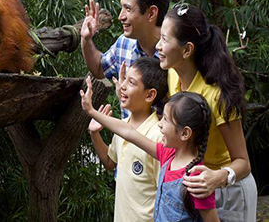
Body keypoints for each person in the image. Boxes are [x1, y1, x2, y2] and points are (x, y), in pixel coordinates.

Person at [156, 3, 257, 221]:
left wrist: (218, 177)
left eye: (165, 39)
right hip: (199, 187)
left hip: (229, 189)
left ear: (187, 49)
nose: (158, 45)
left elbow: (243, 162)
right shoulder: (173, 75)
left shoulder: (216, 96)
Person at [82, 80, 220, 222]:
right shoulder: (168, 155)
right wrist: (91, 111)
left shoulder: (197, 179)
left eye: (165, 120)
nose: (160, 124)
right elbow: (128, 132)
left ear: (185, 133)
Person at [88, 57, 168, 221]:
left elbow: (165, 194)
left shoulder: (157, 136)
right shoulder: (122, 126)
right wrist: (94, 134)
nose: (122, 86)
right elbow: (110, 163)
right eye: (124, 80)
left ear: (150, 95)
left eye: (131, 83)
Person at [81, 0, 169, 118]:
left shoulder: (177, 53)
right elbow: (98, 68)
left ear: (151, 13)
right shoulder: (124, 43)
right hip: (127, 139)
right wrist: (86, 39)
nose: (120, 16)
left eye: (128, 9)